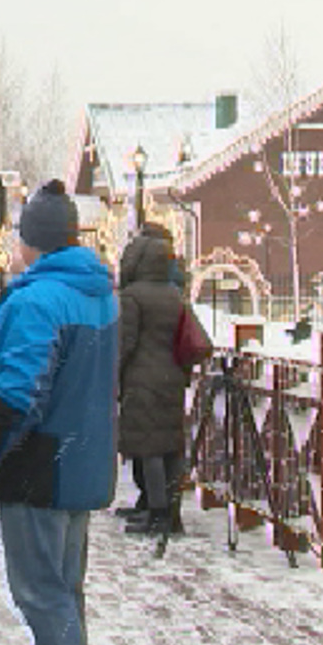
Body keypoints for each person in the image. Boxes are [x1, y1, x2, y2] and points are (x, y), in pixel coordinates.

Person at [0, 180, 118, 645]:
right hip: (81, 460)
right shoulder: (98, 292)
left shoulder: (37, 300)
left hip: (38, 467)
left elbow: (20, 393)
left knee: (40, 592)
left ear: (34, 242)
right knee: (63, 590)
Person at [115, 224, 192, 536]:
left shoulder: (133, 297)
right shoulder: (175, 295)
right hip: (171, 377)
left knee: (148, 448)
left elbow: (125, 342)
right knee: (170, 446)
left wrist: (113, 375)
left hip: (141, 378)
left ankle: (156, 513)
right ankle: (171, 513)